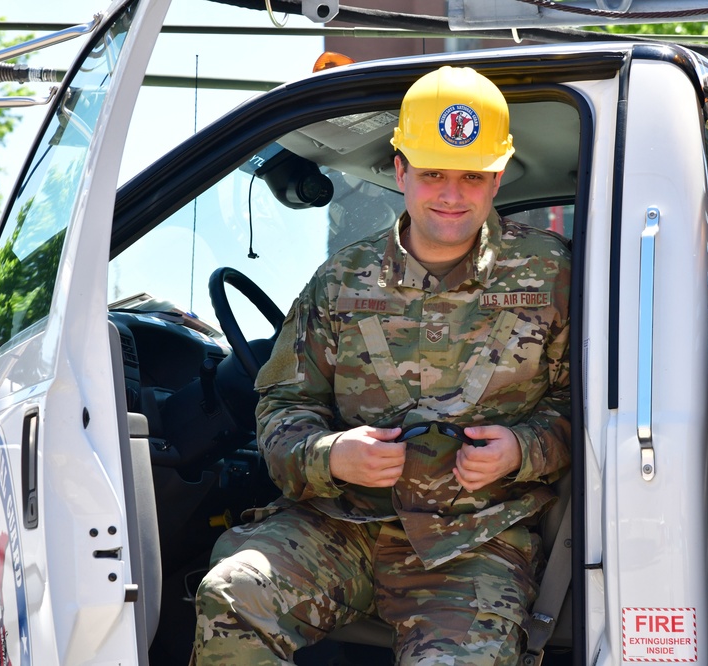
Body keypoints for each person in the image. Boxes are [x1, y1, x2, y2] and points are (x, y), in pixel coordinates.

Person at [192, 65, 572, 666]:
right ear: (401, 171)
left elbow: (592, 403)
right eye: (432, 174)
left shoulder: (552, 274)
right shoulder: (341, 281)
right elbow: (284, 407)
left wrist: (522, 448)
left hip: (475, 542)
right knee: (233, 595)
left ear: (497, 177)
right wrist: (332, 455)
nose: (451, 194)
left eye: (472, 176)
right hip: (341, 526)